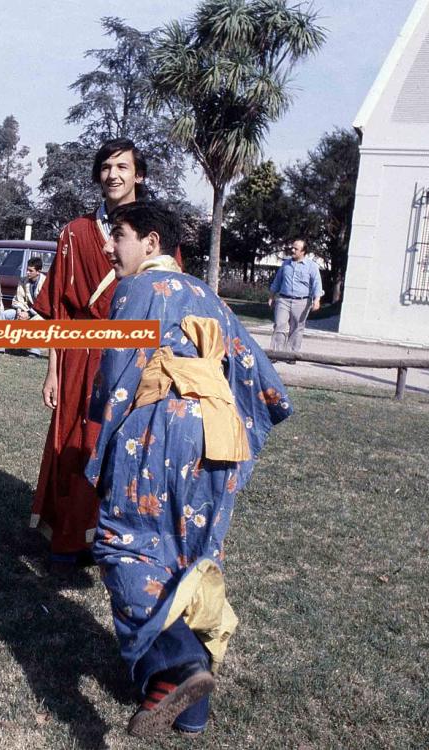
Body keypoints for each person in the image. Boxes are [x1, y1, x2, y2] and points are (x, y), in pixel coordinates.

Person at [87, 202, 292, 737]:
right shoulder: (207, 295)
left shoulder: (136, 292)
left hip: (161, 428)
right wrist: (236, 427)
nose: (112, 248)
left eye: (120, 237)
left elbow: (117, 374)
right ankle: (193, 711)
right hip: (218, 435)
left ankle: (179, 664)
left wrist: (103, 442)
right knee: (193, 557)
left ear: (151, 243)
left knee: (125, 543)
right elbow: (260, 377)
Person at [30, 137, 146, 572]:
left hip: (132, 354)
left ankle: (117, 540)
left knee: (124, 446)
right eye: (106, 167)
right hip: (79, 352)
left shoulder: (153, 231)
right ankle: (71, 538)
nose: (113, 175)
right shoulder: (76, 232)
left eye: (122, 167)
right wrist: (52, 371)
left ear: (139, 175)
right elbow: (57, 307)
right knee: (77, 443)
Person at [267, 239, 323, 352]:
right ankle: (277, 353)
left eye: (296, 249)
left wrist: (317, 300)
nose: (292, 250)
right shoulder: (286, 264)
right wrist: (271, 296)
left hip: (302, 302)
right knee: (279, 325)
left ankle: (291, 354)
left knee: (297, 328)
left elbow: (317, 284)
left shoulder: (312, 267)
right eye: (292, 248)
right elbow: (277, 281)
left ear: (303, 252)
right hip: (283, 299)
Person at [0, 255, 47, 356]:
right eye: (27, 270)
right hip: (24, 311)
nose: (27, 273)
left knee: (34, 322)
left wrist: (29, 314)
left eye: (30, 271)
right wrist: (20, 312)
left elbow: (44, 305)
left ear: (38, 271)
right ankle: (1, 346)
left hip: (41, 313)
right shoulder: (23, 280)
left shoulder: (45, 283)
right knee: (4, 315)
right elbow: (18, 299)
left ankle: (33, 351)